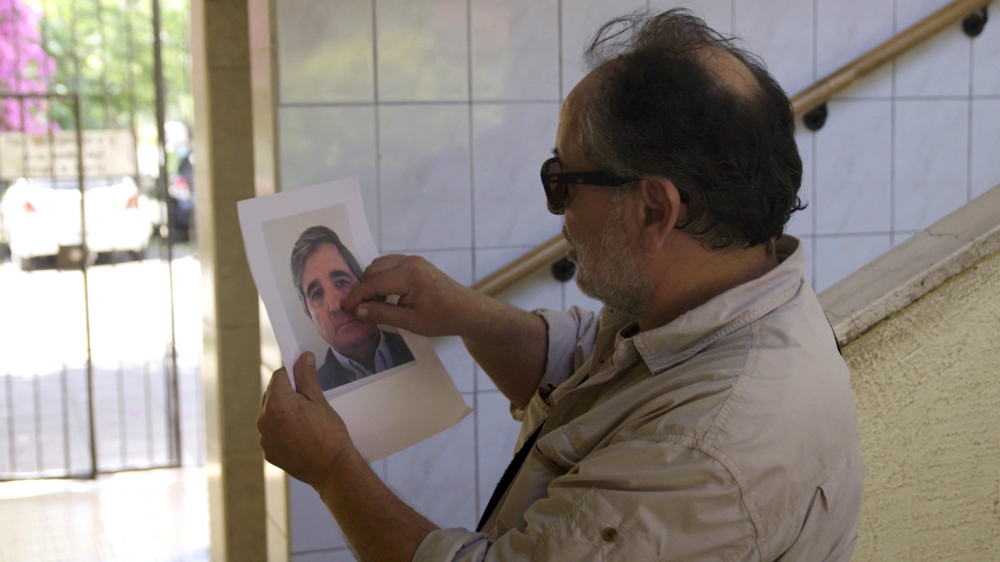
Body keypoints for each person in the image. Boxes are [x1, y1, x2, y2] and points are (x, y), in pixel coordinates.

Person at [259, 9, 863, 561]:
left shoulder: (706, 451)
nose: (556, 211)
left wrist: (334, 468)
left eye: (563, 181)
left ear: (655, 210)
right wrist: (464, 313)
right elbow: (585, 372)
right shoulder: (717, 297)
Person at [291, 226, 414, 391]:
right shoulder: (312, 393)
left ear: (365, 284)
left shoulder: (421, 347)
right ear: (309, 315)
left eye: (341, 282)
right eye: (317, 294)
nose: (335, 306)